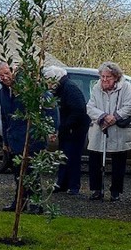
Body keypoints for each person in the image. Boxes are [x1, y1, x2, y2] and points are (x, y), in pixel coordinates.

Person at [0, 61, 57, 213]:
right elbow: (5, 118)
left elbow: (50, 106)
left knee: (33, 172)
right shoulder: (3, 92)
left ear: (14, 73)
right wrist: (5, 140)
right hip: (14, 138)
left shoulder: (30, 89)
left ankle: (37, 204)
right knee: (18, 173)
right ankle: (19, 203)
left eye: (6, 73)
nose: (4, 77)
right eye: (1, 75)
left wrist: (51, 130)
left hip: (32, 137)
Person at [86, 61, 131, 202]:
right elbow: (90, 107)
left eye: (108, 77)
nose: (105, 80)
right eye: (102, 77)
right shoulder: (97, 87)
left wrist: (114, 117)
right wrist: (103, 116)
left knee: (118, 161)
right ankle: (96, 190)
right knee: (95, 159)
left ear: (116, 77)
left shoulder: (125, 87)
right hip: (99, 128)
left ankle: (115, 191)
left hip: (118, 130)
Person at [43, 65, 91, 195]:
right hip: (66, 128)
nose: (47, 83)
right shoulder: (61, 88)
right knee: (63, 156)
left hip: (75, 129)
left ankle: (73, 186)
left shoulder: (69, 88)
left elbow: (79, 109)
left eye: (48, 80)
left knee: (73, 157)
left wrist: (67, 126)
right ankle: (62, 183)